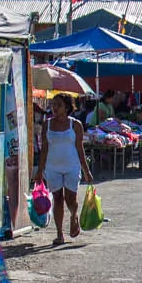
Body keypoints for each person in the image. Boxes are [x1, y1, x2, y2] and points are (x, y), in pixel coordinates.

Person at [37, 94, 85, 244]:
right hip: (53, 167)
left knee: (71, 199)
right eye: (53, 105)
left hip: (72, 166)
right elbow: (44, 148)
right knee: (57, 199)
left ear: (67, 107)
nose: (55, 108)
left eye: (58, 105)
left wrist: (86, 170)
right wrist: (40, 170)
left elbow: (80, 148)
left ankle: (73, 216)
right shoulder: (47, 124)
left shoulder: (75, 125)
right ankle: (59, 234)